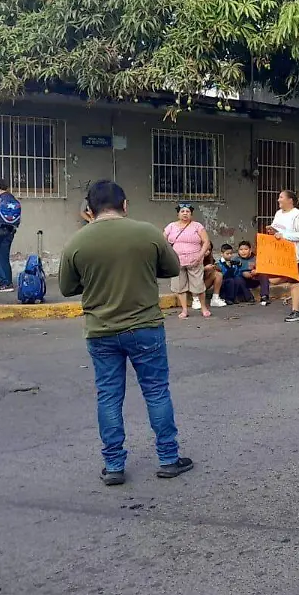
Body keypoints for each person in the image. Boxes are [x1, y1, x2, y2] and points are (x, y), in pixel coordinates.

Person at [59, 180, 193, 486]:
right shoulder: (147, 232)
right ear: (125, 205)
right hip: (145, 327)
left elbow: (67, 287)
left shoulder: (78, 242)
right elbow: (172, 268)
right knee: (156, 391)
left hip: (101, 331)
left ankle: (114, 465)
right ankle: (169, 459)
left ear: (89, 211)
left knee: (108, 397)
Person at [258, 190, 299, 322]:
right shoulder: (278, 213)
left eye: (281, 197)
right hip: (280, 253)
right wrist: (272, 230)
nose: (278, 200)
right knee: (273, 279)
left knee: (294, 282)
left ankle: (296, 312)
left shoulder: (298, 215)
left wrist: (285, 236)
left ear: (290, 200)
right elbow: (278, 230)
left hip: (294, 254)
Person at [164, 202, 213, 319]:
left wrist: (200, 256)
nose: (185, 214)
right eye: (182, 211)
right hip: (177, 261)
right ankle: (184, 310)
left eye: (188, 212)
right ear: (178, 214)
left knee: (199, 286)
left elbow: (206, 242)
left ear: (191, 214)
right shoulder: (171, 226)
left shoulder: (197, 226)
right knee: (180, 287)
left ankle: (204, 308)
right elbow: (163, 242)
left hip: (194, 260)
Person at [0, 179, 19, 290]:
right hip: (10, 230)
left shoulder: (0, 199)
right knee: (3, 256)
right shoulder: (11, 198)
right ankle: (6, 281)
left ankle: (7, 283)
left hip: (1, 230)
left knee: (2, 257)